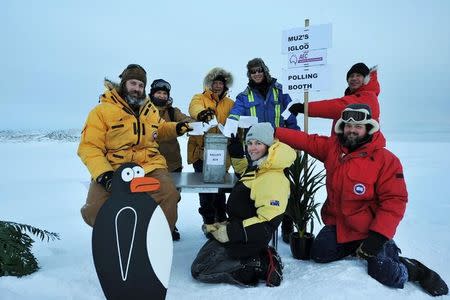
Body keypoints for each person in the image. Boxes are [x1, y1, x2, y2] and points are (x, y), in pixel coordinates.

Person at [275, 104, 448, 296]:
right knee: (320, 253)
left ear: (368, 128)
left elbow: (394, 201)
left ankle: (415, 270)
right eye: (348, 126)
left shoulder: (386, 159)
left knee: (383, 272)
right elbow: (306, 141)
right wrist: (273, 131)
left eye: (358, 126)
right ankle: (355, 247)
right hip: (340, 226)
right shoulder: (333, 149)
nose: (352, 130)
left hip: (370, 230)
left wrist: (378, 237)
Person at [78, 64, 192, 240]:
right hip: (114, 167)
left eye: (140, 85)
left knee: (169, 195)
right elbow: (89, 146)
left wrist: (177, 127)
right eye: (133, 83)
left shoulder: (149, 109)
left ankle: (156, 240)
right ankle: (119, 238)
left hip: (149, 165)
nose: (137, 89)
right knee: (94, 210)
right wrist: (104, 174)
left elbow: (160, 129)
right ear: (123, 84)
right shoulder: (102, 111)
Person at [191, 123, 296, 287]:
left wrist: (230, 232)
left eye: (258, 143)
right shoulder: (261, 166)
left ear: (269, 145)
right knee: (204, 257)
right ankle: (255, 256)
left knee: (200, 269)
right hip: (241, 231)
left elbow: (267, 222)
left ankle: (259, 264)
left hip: (249, 238)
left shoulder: (273, 177)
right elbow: (247, 175)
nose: (252, 148)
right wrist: (222, 226)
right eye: (249, 143)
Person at [227, 57, 300, 243]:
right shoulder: (244, 96)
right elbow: (235, 113)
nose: (256, 74)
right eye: (253, 72)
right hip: (257, 148)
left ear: (265, 71)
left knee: (285, 187)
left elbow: (290, 116)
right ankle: (255, 224)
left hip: (279, 148)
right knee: (255, 186)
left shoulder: (281, 91)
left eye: (259, 70)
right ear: (249, 74)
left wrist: (297, 138)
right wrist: (231, 128)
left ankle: (287, 225)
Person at [148, 79, 195, 240]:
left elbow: (186, 120)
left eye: (164, 93)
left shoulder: (173, 112)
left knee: (173, 196)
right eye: (158, 92)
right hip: (150, 164)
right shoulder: (144, 111)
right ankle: (152, 226)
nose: (161, 96)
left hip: (172, 162)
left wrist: (197, 121)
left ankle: (171, 225)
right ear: (152, 94)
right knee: (152, 196)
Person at [188, 67, 234, 230]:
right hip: (201, 152)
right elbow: (194, 108)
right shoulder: (199, 98)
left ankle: (221, 218)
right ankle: (208, 221)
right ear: (209, 84)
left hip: (222, 154)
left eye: (220, 83)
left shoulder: (230, 103)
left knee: (220, 189)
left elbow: (235, 119)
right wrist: (202, 113)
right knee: (206, 189)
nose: (217, 86)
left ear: (225, 85)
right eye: (215, 83)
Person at [289, 62, 380, 135]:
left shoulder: (368, 96)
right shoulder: (354, 96)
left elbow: (337, 107)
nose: (354, 78)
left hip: (359, 152)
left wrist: (304, 107)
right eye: (351, 76)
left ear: (365, 79)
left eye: (358, 76)